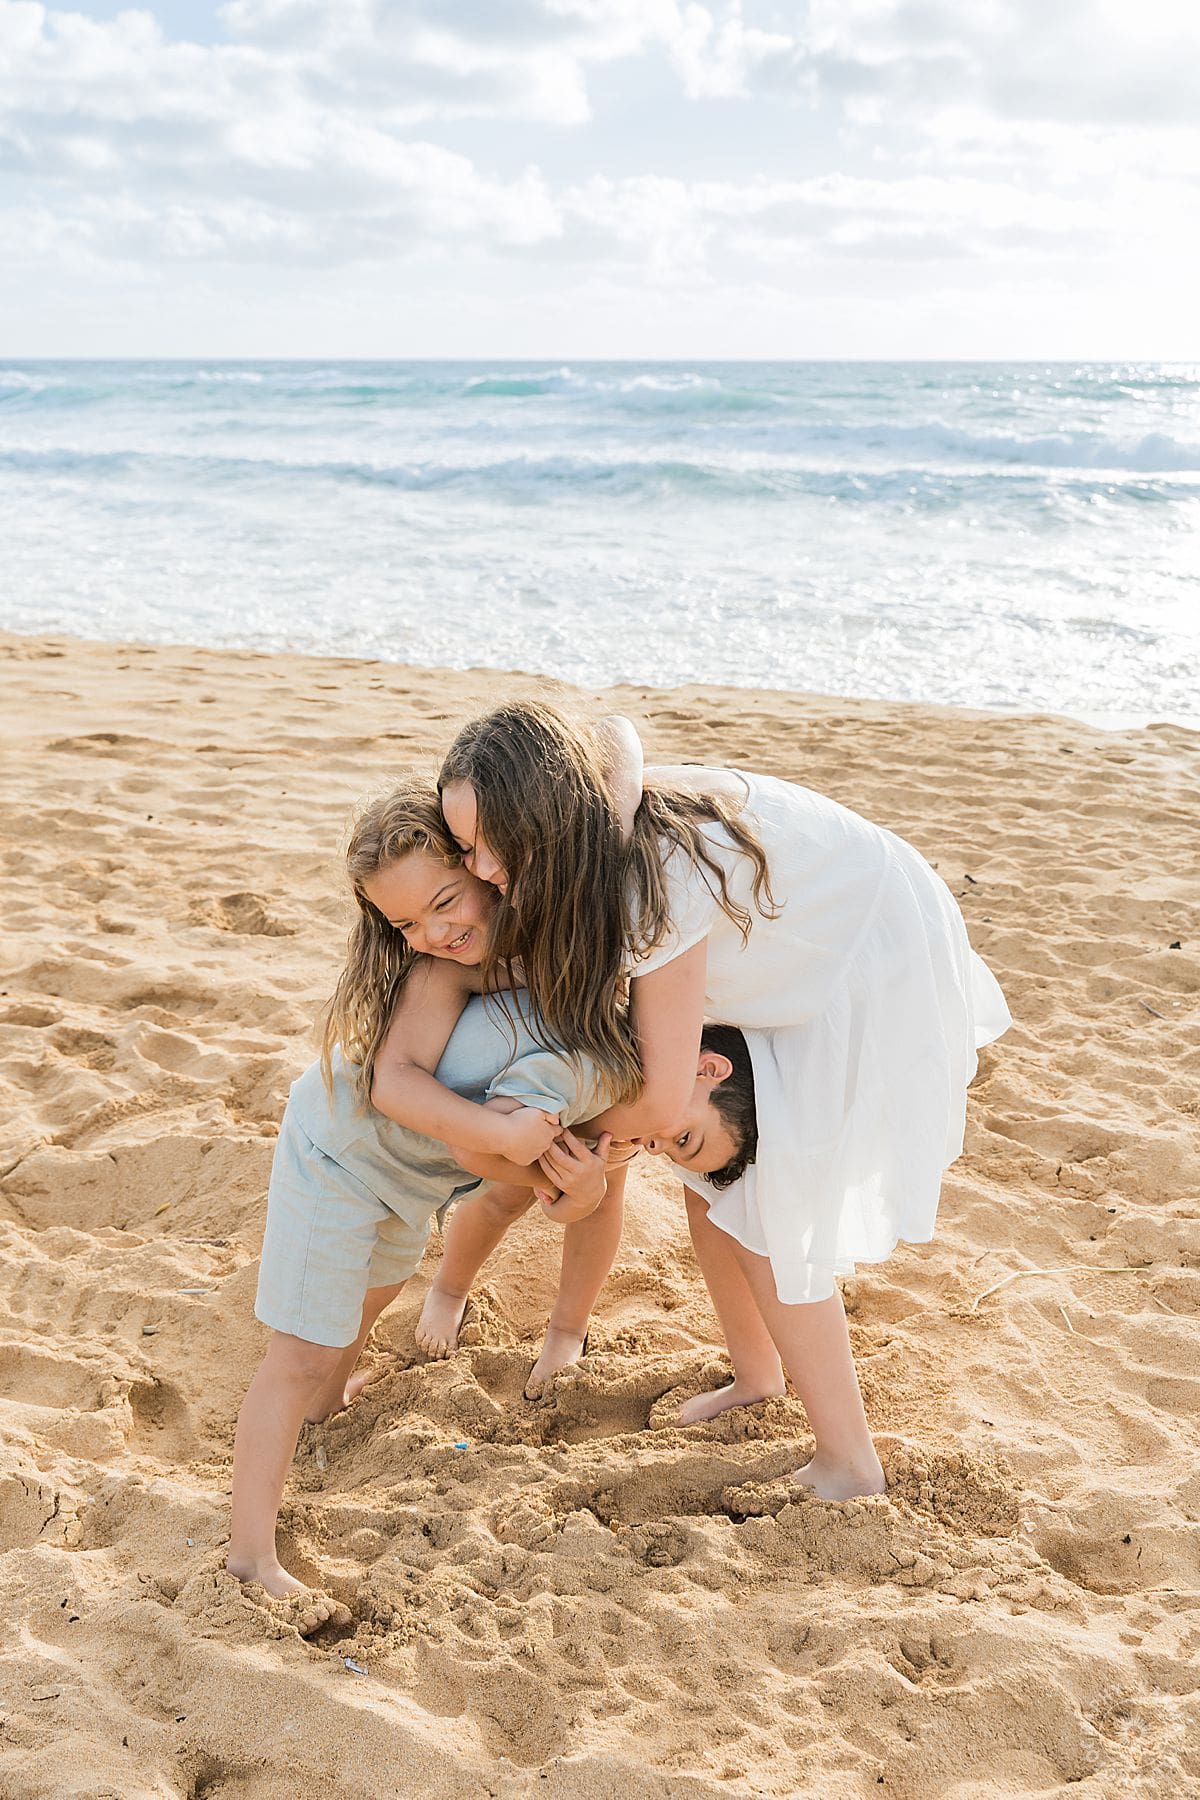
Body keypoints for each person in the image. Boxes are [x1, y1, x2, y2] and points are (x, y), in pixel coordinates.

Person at [435, 701, 1011, 1501]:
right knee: (709, 1182)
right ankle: (756, 1373)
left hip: (864, 960)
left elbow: (665, 1100)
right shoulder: (601, 843)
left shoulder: (650, 880)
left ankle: (850, 1461)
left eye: (486, 846)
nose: (479, 870)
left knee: (770, 1206)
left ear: (539, 822)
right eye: (463, 847)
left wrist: (563, 1137)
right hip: (789, 956)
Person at [226, 783, 619, 1627]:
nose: (435, 932)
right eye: (405, 924)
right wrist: (495, 1134)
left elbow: (571, 1161)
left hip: (410, 1181)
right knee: (300, 1348)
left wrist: (575, 1181)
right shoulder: (443, 970)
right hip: (338, 1153)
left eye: (443, 902)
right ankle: (250, 1556)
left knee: (369, 1298)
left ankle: (329, 1408)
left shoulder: (557, 962)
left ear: (489, 866)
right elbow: (394, 1083)